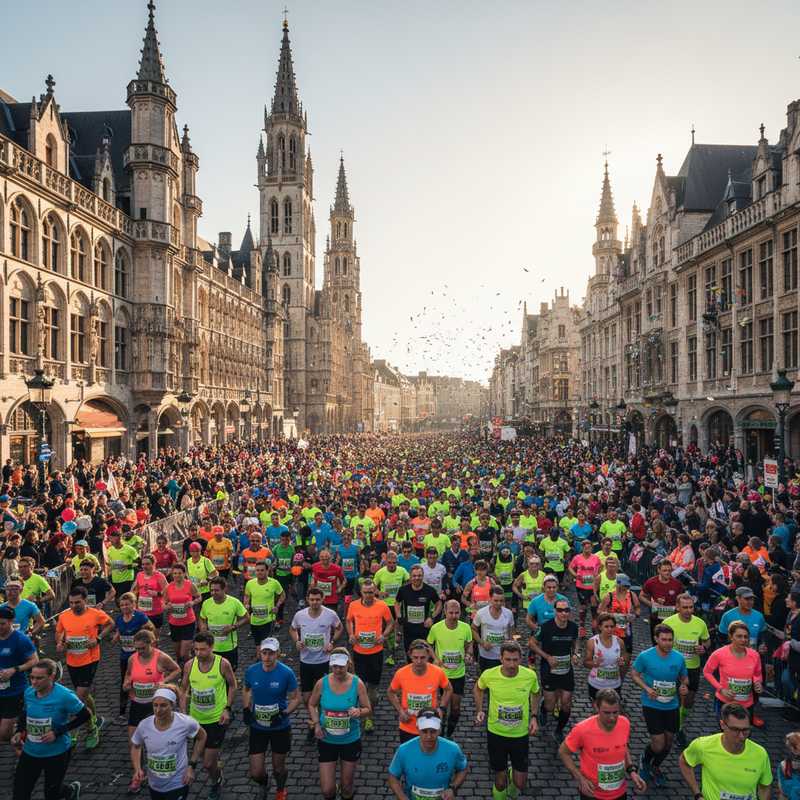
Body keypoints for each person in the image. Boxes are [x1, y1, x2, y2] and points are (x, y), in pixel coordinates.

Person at [11, 659, 89, 800]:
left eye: (39, 678)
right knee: (20, 793)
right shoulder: (29, 692)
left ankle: (70, 791)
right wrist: (19, 731)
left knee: (52, 794)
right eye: (32, 677)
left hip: (57, 753)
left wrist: (58, 732)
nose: (34, 682)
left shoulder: (65, 696)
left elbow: (85, 715)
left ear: (52, 677)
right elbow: (25, 713)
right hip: (30, 752)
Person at [474, 641, 540, 800]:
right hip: (496, 733)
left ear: (521, 659)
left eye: (515, 660)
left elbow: (536, 693)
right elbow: (478, 688)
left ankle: (513, 776)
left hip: (520, 734)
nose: (512, 664)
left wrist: (534, 716)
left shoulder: (529, 675)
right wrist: (479, 710)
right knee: (501, 781)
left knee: (520, 783)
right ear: (501, 658)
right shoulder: (489, 674)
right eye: (508, 659)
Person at [558, 687, 646, 800]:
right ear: (596, 707)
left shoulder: (624, 723)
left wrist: (632, 772)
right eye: (607, 713)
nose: (612, 717)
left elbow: (623, 747)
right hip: (592, 794)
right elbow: (563, 752)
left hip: (619, 792)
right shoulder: (582, 730)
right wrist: (580, 778)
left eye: (615, 712)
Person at [308, 647, 371, 800]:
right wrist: (316, 724)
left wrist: (359, 712)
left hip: (350, 740)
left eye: (341, 666)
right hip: (327, 740)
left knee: (347, 787)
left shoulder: (358, 683)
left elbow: (368, 708)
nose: (337, 670)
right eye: (334, 666)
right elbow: (311, 704)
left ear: (348, 664)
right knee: (327, 790)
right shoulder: (322, 683)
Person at [55, 585, 114, 749]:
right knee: (84, 695)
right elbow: (59, 632)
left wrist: (99, 638)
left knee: (79, 697)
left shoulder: (95, 614)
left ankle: (84, 728)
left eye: (77, 602)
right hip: (72, 660)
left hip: (90, 659)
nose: (74, 606)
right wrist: (60, 643)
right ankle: (94, 719)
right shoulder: (64, 616)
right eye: (71, 603)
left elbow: (111, 624)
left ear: (85, 601)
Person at [181, 631, 237, 800]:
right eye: (196, 649)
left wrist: (227, 709)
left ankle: (216, 781)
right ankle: (215, 766)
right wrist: (184, 713)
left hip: (216, 719)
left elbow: (233, 685)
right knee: (208, 758)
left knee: (207, 763)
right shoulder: (190, 665)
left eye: (203, 649)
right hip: (196, 719)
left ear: (212, 647)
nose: (198, 653)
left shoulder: (223, 664)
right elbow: (183, 690)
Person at [243, 636, 301, 800]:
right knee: (256, 772)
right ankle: (264, 783)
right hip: (257, 727)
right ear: (260, 653)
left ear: (278, 654)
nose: (267, 657)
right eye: (264, 653)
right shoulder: (251, 671)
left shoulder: (286, 673)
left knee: (278, 768)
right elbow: (246, 689)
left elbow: (296, 698)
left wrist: (284, 713)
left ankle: (281, 790)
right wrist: (246, 708)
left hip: (279, 727)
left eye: (271, 653)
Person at [630, 624, 688, 787]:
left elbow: (684, 677)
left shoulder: (678, 658)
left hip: (672, 705)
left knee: (668, 743)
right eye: (664, 640)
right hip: (651, 705)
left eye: (670, 640)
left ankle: (655, 767)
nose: (668, 643)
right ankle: (645, 760)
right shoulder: (645, 656)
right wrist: (646, 688)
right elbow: (634, 673)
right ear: (656, 639)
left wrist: (684, 685)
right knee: (658, 743)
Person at [679, 701, 772, 800]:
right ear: (722, 725)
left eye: (745, 730)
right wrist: (697, 794)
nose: (741, 736)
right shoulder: (703, 746)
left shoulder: (760, 753)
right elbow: (684, 762)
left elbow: (765, 787)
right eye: (735, 730)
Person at [131, 687, 207, 800]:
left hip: (178, 783)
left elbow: (202, 736)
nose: (158, 710)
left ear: (172, 705)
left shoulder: (185, 723)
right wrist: (137, 768)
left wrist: (192, 765)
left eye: (163, 705)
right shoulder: (144, 725)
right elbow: (136, 746)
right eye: (155, 705)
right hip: (154, 784)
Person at [289, 586, 343, 742]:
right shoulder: (300, 615)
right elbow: (292, 629)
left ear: (322, 599)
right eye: (312, 600)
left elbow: (339, 628)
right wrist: (297, 641)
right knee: (307, 698)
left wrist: (332, 642)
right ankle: (314, 719)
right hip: (305, 661)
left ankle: (315, 724)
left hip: (323, 661)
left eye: (317, 599)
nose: (314, 602)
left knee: (322, 696)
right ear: (307, 600)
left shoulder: (330, 614)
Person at [346, 578, 393, 733]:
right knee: (360, 685)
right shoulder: (353, 605)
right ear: (361, 592)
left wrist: (384, 636)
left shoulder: (382, 605)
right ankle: (368, 718)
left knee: (372, 688)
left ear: (375, 591)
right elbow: (348, 621)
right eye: (365, 592)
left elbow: (391, 622)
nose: (368, 595)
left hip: (375, 653)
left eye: (371, 592)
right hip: (359, 653)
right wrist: (351, 634)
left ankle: (369, 711)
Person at [528, 597, 579, 742]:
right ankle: (544, 709)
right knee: (551, 705)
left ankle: (559, 730)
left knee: (566, 702)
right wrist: (547, 657)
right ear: (555, 612)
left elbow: (576, 642)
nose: (564, 613)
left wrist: (575, 653)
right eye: (560, 610)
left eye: (566, 610)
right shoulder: (545, 627)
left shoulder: (573, 627)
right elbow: (531, 644)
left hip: (566, 671)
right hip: (549, 671)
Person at [387, 709, 468, 800]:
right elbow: (392, 776)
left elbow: (463, 769)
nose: (429, 736)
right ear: (417, 729)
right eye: (424, 731)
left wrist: (452, 788)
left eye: (433, 731)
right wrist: (403, 798)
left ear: (439, 729)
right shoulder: (404, 750)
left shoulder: (453, 749)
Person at [662, 593, 710, 744]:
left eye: (691, 607)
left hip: (692, 667)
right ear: (677, 607)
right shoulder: (668, 623)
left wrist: (703, 648)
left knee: (688, 701)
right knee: (671, 698)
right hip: (672, 667)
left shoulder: (700, 623)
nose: (688, 610)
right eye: (685, 607)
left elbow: (707, 642)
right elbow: (660, 645)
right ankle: (676, 728)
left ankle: (679, 722)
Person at [123, 629, 180, 745]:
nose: (139, 651)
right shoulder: (132, 659)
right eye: (137, 648)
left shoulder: (161, 657)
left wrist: (164, 682)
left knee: (156, 741)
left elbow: (177, 670)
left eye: (142, 648)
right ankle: (139, 762)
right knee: (133, 742)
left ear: (151, 644)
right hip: (137, 703)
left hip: (155, 705)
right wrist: (126, 683)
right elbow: (128, 673)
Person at [388, 638, 452, 742]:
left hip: (430, 727)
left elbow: (448, 689)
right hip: (408, 726)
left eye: (422, 658)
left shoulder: (437, 672)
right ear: (410, 656)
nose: (418, 661)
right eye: (415, 657)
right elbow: (390, 692)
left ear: (428, 656)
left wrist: (442, 708)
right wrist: (400, 711)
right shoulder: (401, 673)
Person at [703, 620, 764, 725]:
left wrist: (758, 683)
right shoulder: (719, 654)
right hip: (725, 702)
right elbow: (707, 672)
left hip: (746, 704)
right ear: (731, 637)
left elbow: (757, 674)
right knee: (726, 733)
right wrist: (721, 689)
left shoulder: (754, 655)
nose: (743, 640)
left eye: (746, 637)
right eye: (739, 636)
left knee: (744, 734)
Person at [427, 599, 473, 737]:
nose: (454, 616)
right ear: (445, 612)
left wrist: (469, 654)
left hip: (458, 674)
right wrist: (435, 658)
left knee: (456, 708)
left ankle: (449, 734)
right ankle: (441, 734)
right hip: (440, 675)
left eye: (457, 613)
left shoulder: (465, 627)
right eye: (451, 613)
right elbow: (428, 644)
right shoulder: (436, 628)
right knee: (441, 707)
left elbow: (469, 643)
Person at [114, 591, 155, 725]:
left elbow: (151, 629)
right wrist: (116, 637)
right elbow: (119, 631)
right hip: (125, 655)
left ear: (134, 604)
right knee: (125, 683)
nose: (124, 607)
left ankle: (148, 708)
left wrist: (143, 637)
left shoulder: (140, 617)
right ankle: (121, 712)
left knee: (142, 681)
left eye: (127, 604)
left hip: (140, 657)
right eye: (122, 605)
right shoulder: (119, 618)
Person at [0, 605, 38, 744]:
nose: (0, 627)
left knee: (4, 735)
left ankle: (21, 730)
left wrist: (14, 670)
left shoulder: (21, 640)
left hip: (14, 691)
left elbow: (34, 660)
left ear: (11, 622)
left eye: (2, 624)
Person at [198, 576, 249, 672]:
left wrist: (233, 627)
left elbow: (246, 618)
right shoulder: (206, 603)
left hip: (229, 648)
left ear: (224, 589)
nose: (213, 593)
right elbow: (202, 618)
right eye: (211, 590)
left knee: (229, 674)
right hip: (212, 648)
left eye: (216, 590)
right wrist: (203, 628)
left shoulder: (234, 603)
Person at [395, 564, 441, 657]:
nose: (417, 578)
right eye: (414, 576)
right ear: (410, 577)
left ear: (423, 576)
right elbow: (396, 603)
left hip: (424, 629)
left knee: (425, 656)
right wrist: (399, 616)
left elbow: (439, 603)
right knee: (410, 656)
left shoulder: (429, 590)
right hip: (408, 629)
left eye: (419, 576)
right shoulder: (403, 590)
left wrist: (432, 617)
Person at [374, 551, 409, 665]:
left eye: (394, 563)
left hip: (398, 604)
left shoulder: (402, 571)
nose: (392, 565)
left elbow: (408, 582)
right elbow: (373, 587)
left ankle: (393, 647)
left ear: (397, 562)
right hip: (384, 605)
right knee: (387, 628)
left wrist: (403, 590)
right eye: (389, 563)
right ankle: (389, 651)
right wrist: (379, 592)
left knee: (396, 626)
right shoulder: (380, 572)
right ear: (385, 562)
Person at [164, 562, 201, 668]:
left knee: (183, 653)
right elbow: (164, 602)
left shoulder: (190, 585)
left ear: (184, 574)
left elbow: (199, 597)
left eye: (179, 573)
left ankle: (190, 669)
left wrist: (192, 603)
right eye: (174, 573)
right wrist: (167, 606)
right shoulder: (169, 587)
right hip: (174, 623)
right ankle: (183, 667)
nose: (177, 575)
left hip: (188, 622)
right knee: (178, 654)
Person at [585, 612, 627, 703]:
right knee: (596, 711)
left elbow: (624, 663)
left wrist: (622, 663)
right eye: (606, 626)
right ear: (600, 627)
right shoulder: (592, 642)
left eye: (612, 626)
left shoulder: (620, 642)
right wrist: (594, 663)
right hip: (596, 684)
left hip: (614, 684)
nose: (610, 629)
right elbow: (586, 663)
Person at [472, 586, 515, 673]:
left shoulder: (508, 613)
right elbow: (473, 629)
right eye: (496, 600)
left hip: (503, 655)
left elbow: (512, 630)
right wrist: (482, 643)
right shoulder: (481, 613)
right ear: (490, 599)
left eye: (501, 601)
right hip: (486, 655)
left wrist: (510, 643)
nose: (499, 603)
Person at [640, 559, 684, 639]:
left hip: (672, 618)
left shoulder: (677, 584)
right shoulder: (651, 582)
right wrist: (652, 604)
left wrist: (677, 607)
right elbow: (641, 596)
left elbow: (681, 600)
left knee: (671, 641)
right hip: (656, 618)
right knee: (656, 641)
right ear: (658, 570)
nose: (667, 573)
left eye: (669, 570)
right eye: (664, 570)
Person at [244, 560, 285, 644]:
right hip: (254, 619)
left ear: (267, 571)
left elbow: (283, 595)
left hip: (269, 619)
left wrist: (277, 606)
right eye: (258, 570)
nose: (259, 572)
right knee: (257, 644)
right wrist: (246, 604)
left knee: (266, 644)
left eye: (262, 570)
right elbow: (246, 596)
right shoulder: (250, 583)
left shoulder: (274, 583)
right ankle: (259, 656)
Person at [568, 540, 601, 637]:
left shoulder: (596, 558)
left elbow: (601, 567)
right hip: (581, 586)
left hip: (593, 587)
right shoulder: (577, 558)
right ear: (582, 548)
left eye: (589, 547)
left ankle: (594, 627)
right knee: (583, 607)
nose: (587, 549)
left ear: (592, 548)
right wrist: (576, 575)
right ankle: (582, 627)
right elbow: (570, 567)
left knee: (594, 607)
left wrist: (597, 576)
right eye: (585, 547)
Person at [133, 554, 169, 630]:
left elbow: (168, 590)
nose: (144, 566)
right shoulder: (139, 575)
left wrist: (158, 593)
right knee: (143, 635)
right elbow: (135, 590)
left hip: (156, 611)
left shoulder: (159, 576)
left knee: (154, 636)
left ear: (153, 564)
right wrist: (134, 604)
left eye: (147, 564)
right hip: (142, 611)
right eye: (143, 564)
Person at [311, 548, 347, 615]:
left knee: (331, 617)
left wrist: (340, 588)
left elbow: (344, 580)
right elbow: (313, 577)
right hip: (318, 598)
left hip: (332, 599)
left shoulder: (337, 568)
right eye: (322, 557)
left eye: (326, 556)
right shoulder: (314, 567)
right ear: (319, 557)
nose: (324, 558)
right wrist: (312, 585)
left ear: (331, 557)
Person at [106, 530, 139, 599]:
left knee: (126, 600)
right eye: (110, 539)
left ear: (119, 538)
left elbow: (139, 564)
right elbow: (109, 564)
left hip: (127, 580)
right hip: (115, 580)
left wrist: (127, 566)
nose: (111, 541)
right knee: (118, 601)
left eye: (113, 539)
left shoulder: (130, 549)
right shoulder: (109, 550)